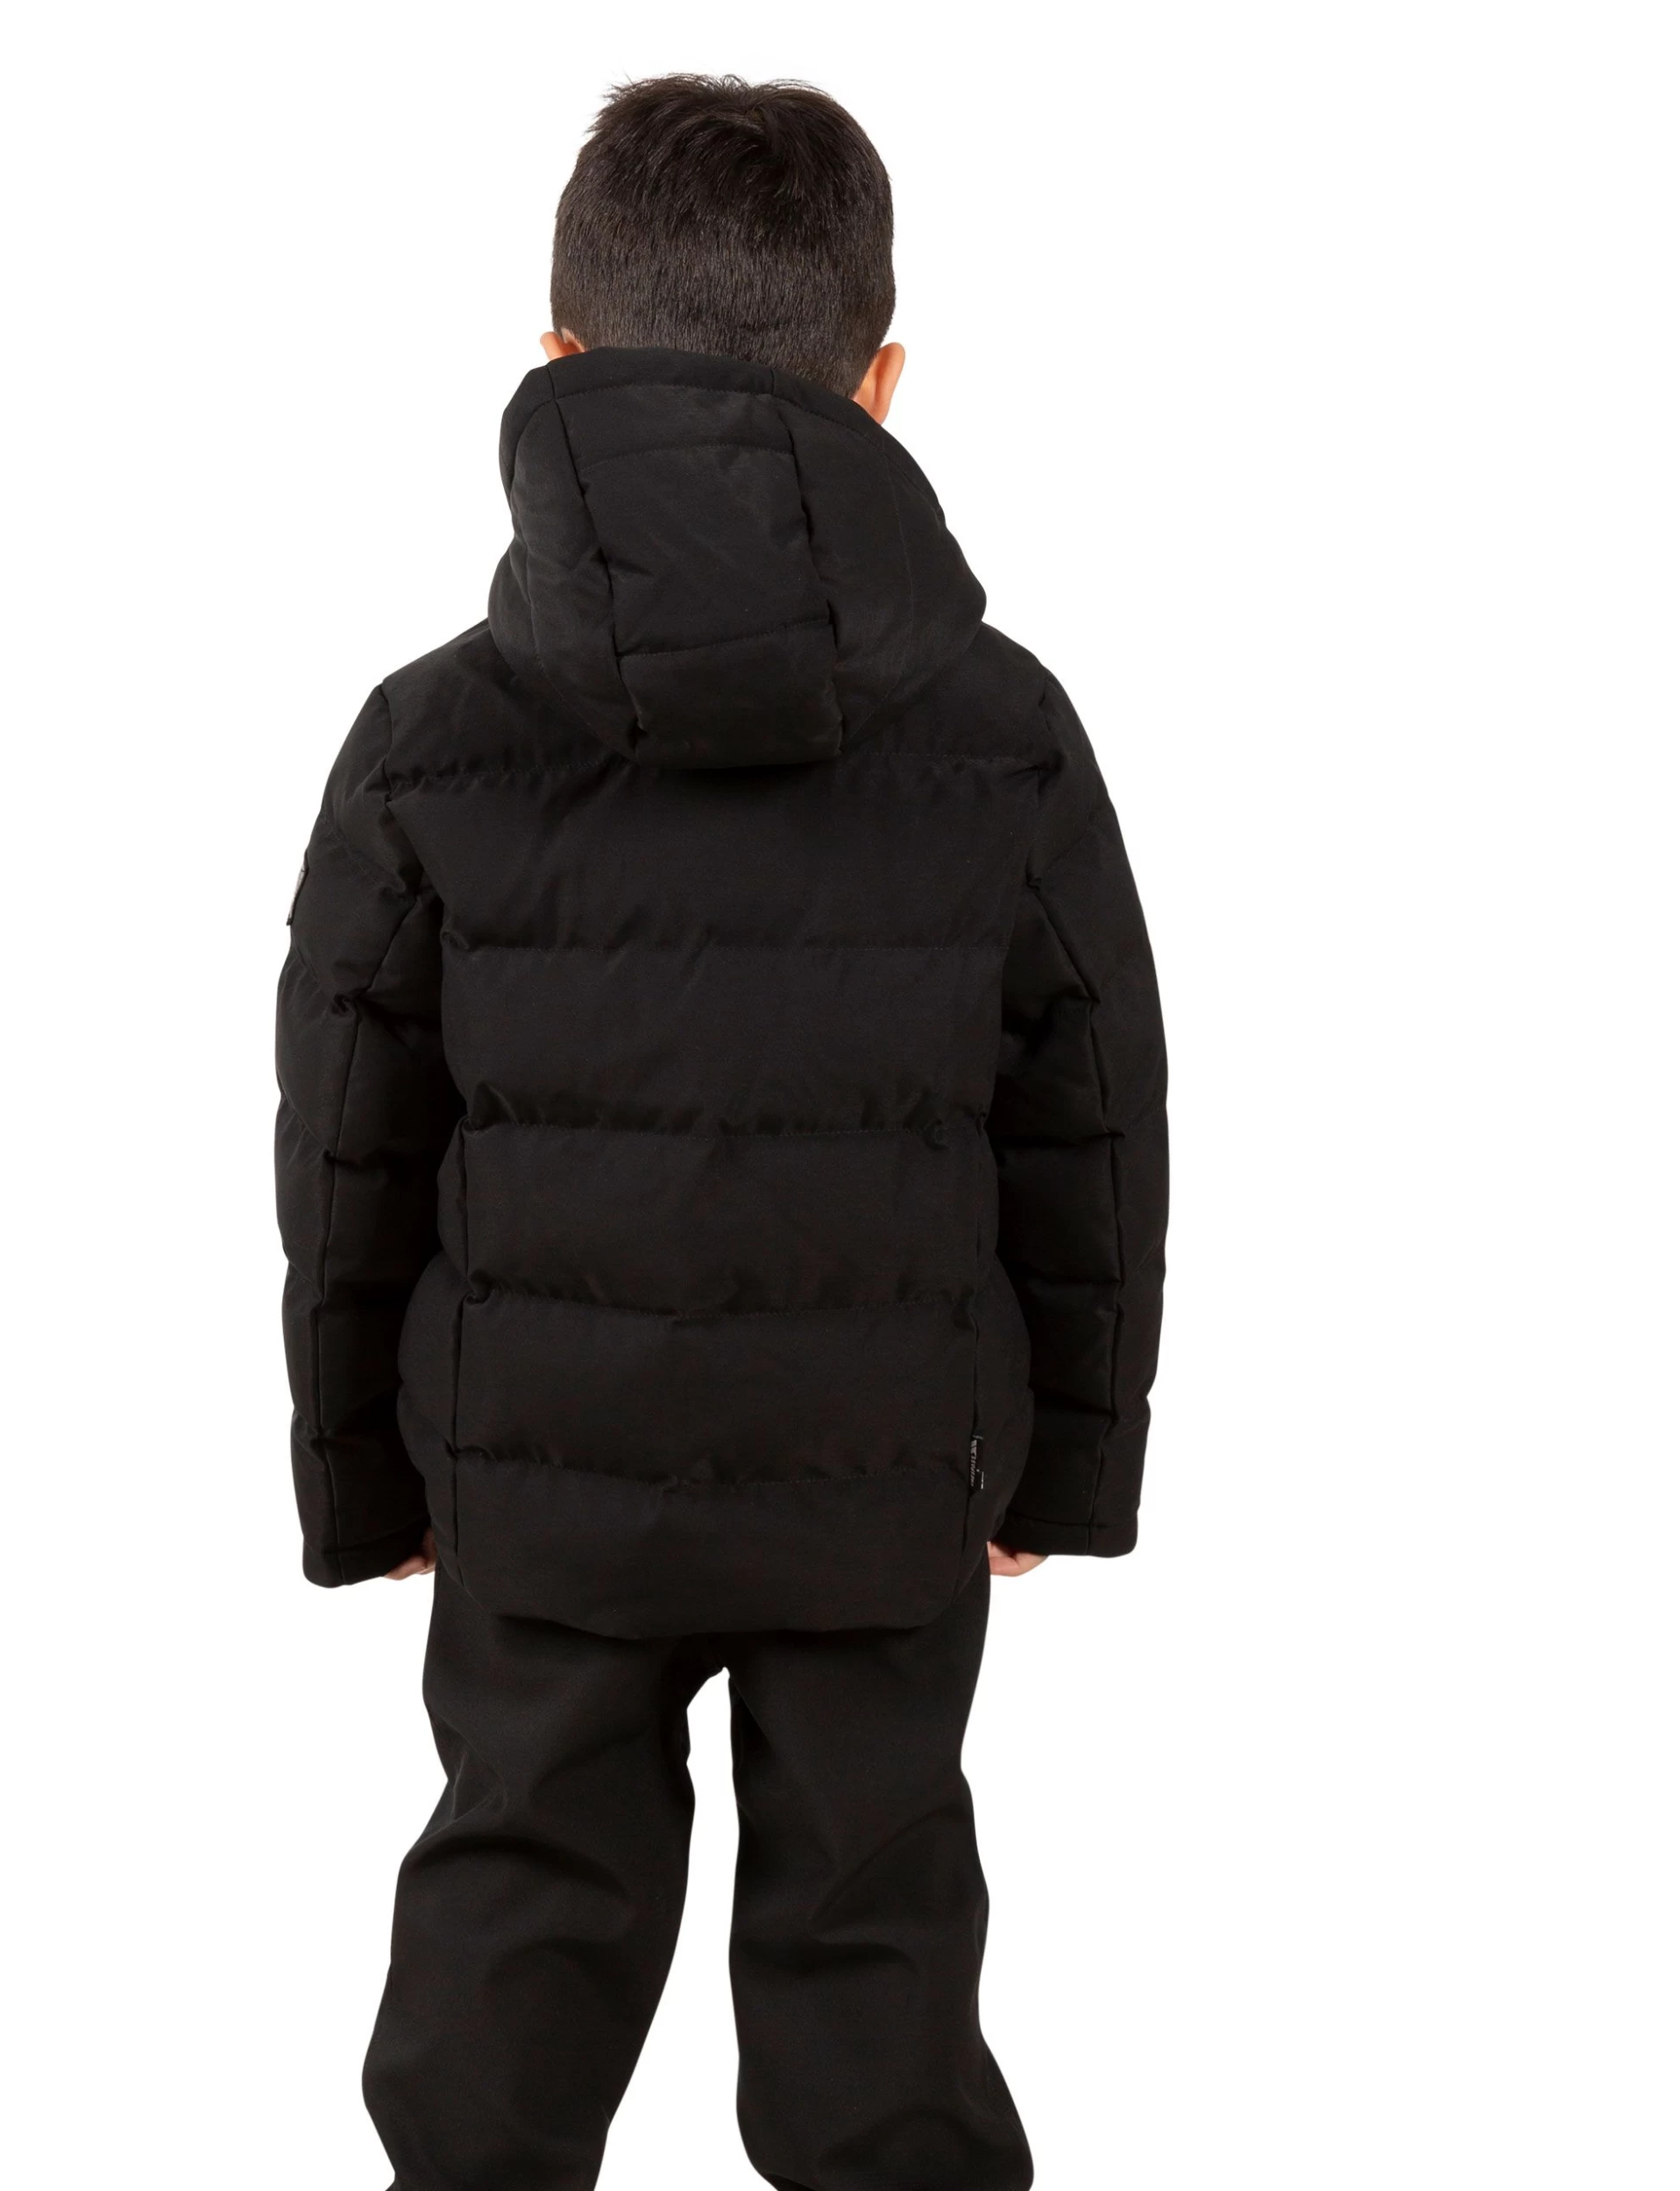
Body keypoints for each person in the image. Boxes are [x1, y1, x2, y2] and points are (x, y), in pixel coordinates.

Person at [273, 72, 1167, 2191]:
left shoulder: (429, 735)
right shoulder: (1001, 727)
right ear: (879, 381)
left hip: (539, 1469)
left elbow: (348, 1139)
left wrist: (361, 1472)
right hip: (884, 1466)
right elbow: (1092, 1121)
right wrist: (1064, 1458)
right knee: (876, 1959)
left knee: (511, 1934)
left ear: (555, 358)